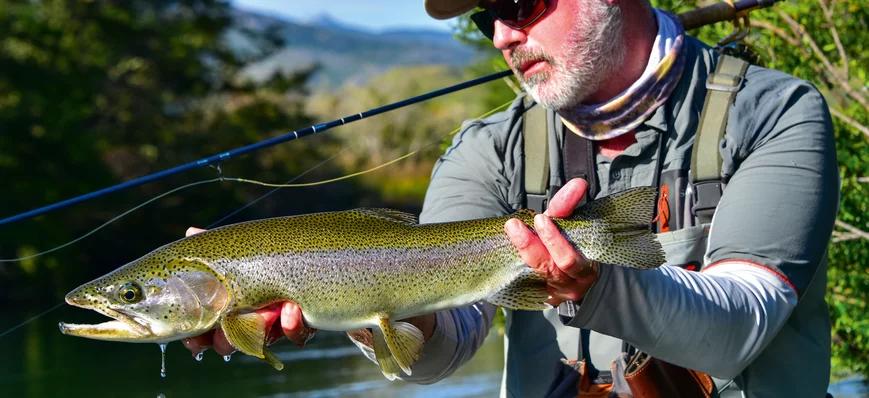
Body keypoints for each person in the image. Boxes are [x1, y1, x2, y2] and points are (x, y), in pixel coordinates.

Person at [184, 0, 840, 396]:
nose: (500, 35)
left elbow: (743, 324)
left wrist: (594, 284)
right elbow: (443, 349)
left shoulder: (772, 111)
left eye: (520, 3)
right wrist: (347, 301)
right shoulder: (487, 149)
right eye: (484, 15)